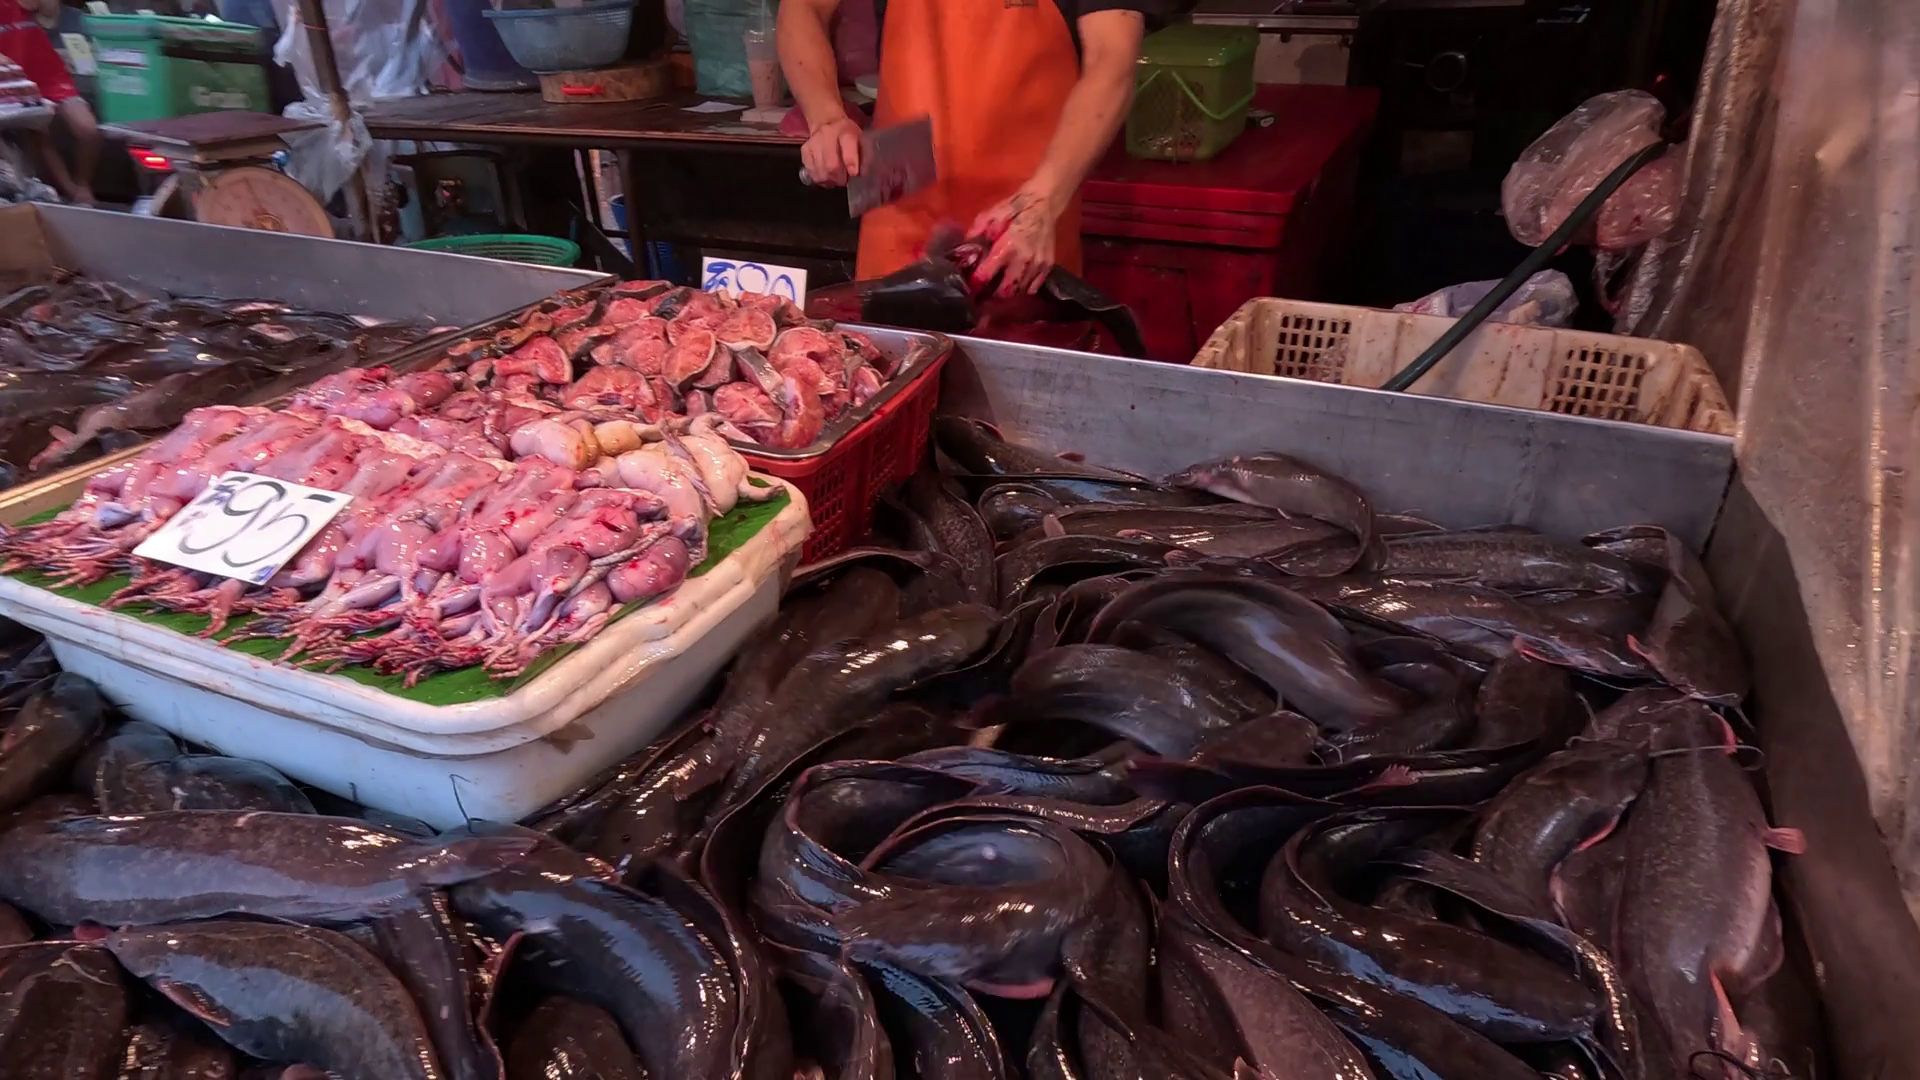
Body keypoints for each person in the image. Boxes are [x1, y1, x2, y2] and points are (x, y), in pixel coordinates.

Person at [780, 0, 1160, 295]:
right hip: (898, 215)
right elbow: (802, 7)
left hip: (1024, 224)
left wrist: (1043, 200)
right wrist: (825, 116)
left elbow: (1112, 60)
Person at [0, 0, 97, 204]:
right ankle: (71, 191)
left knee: (87, 129)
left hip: (52, 76)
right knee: (39, 132)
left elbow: (44, 10)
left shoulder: (31, 8)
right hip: (18, 81)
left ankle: (82, 183)